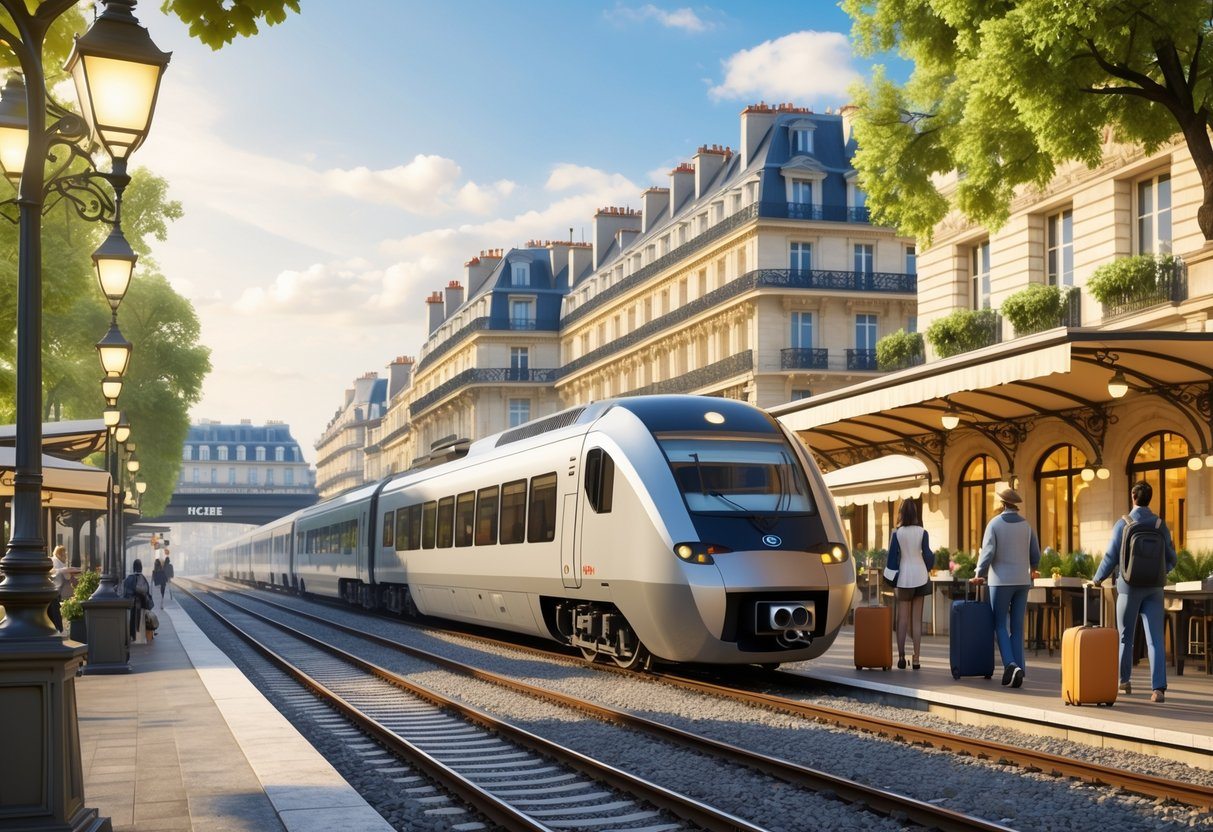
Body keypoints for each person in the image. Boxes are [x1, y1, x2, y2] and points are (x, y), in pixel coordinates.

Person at [1091, 480, 1178, 703]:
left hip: (1128, 587)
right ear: (1150, 498)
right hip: (1154, 589)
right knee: (1155, 639)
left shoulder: (1124, 524)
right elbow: (1172, 559)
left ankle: (1124, 681)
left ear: (1133, 496)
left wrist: (1098, 578)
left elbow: (1111, 556)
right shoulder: (1160, 524)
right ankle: (1158, 689)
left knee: (1124, 638)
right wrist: (1159, 572)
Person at [974, 487, 1040, 688]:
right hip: (1022, 581)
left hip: (1000, 581)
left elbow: (987, 553)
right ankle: (1019, 667)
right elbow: (1035, 554)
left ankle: (1010, 665)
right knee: (1018, 627)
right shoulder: (1027, 526)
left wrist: (979, 573)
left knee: (1000, 624)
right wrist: (1032, 569)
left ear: (1002, 504)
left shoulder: (994, 524)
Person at [884, 500, 932, 670]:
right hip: (921, 576)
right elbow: (927, 555)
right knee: (917, 620)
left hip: (904, 578)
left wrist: (890, 577)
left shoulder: (897, 533)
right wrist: (929, 565)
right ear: (916, 513)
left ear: (901, 513)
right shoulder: (923, 532)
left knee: (902, 619)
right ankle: (917, 659)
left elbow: (891, 558)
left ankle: (902, 657)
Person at [122, 558, 154, 641]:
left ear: (133, 567)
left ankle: (131, 635)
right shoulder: (142, 578)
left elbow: (124, 589)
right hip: (139, 604)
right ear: (141, 567)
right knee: (138, 622)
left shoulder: (129, 578)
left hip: (128, 604)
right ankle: (137, 637)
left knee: (130, 620)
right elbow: (144, 589)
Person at [48, 545, 77, 633]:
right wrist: (66, 571)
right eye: (64, 554)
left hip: (56, 592)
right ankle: (58, 630)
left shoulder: (59, 563)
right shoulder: (55, 561)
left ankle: (58, 629)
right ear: (60, 554)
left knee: (55, 613)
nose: (66, 557)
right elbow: (55, 573)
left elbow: (66, 576)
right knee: (55, 613)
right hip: (55, 592)